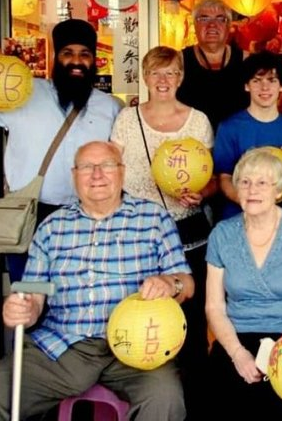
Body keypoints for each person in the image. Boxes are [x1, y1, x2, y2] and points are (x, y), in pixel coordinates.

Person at [0, 141, 193, 420]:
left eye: (106, 165)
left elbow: (186, 284)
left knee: (165, 398)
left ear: (121, 172)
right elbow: (33, 295)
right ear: (74, 175)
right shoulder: (52, 227)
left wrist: (170, 284)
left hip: (140, 347)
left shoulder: (153, 218)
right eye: (86, 167)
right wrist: (22, 309)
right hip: (63, 345)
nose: (97, 174)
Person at [110, 46, 216, 421]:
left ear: (181, 77)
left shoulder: (198, 121)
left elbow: (210, 176)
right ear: (145, 76)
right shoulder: (127, 119)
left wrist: (202, 192)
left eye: (171, 73)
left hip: (190, 229)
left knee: (192, 317)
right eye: (156, 73)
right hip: (139, 232)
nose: (163, 81)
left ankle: (192, 403)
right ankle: (150, 393)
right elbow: (113, 167)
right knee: (146, 310)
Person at [0, 19, 121, 282]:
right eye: (67, 53)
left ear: (95, 61)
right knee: (28, 302)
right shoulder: (22, 93)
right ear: (54, 57)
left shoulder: (110, 107)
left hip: (88, 219)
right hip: (30, 217)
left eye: (85, 55)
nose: (76, 62)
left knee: (78, 302)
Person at [205, 148, 282, 420]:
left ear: (279, 191)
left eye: (262, 183)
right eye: (245, 182)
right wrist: (239, 355)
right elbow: (214, 307)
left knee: (270, 404)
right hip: (237, 336)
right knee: (215, 398)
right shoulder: (222, 234)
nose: (252, 190)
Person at [213, 50, 282, 220]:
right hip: (238, 220)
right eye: (257, 81)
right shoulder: (229, 127)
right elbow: (224, 178)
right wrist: (249, 203)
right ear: (246, 86)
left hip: (280, 222)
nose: (265, 88)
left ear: (281, 86)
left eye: (272, 80)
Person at [176, 0, 248, 130]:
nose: (212, 25)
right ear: (194, 25)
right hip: (191, 143)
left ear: (229, 26)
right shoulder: (178, 61)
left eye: (220, 19)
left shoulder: (247, 60)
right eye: (204, 19)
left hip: (237, 143)